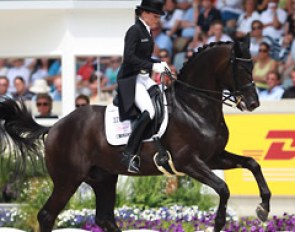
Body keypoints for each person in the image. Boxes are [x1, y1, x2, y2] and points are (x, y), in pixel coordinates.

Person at [116, 0, 170, 173]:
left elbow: (144, 57)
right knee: (150, 111)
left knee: (164, 99)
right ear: (144, 13)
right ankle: (129, 153)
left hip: (144, 77)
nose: (157, 20)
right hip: (131, 79)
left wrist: (159, 63)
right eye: (155, 16)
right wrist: (153, 66)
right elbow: (129, 58)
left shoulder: (147, 31)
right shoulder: (134, 31)